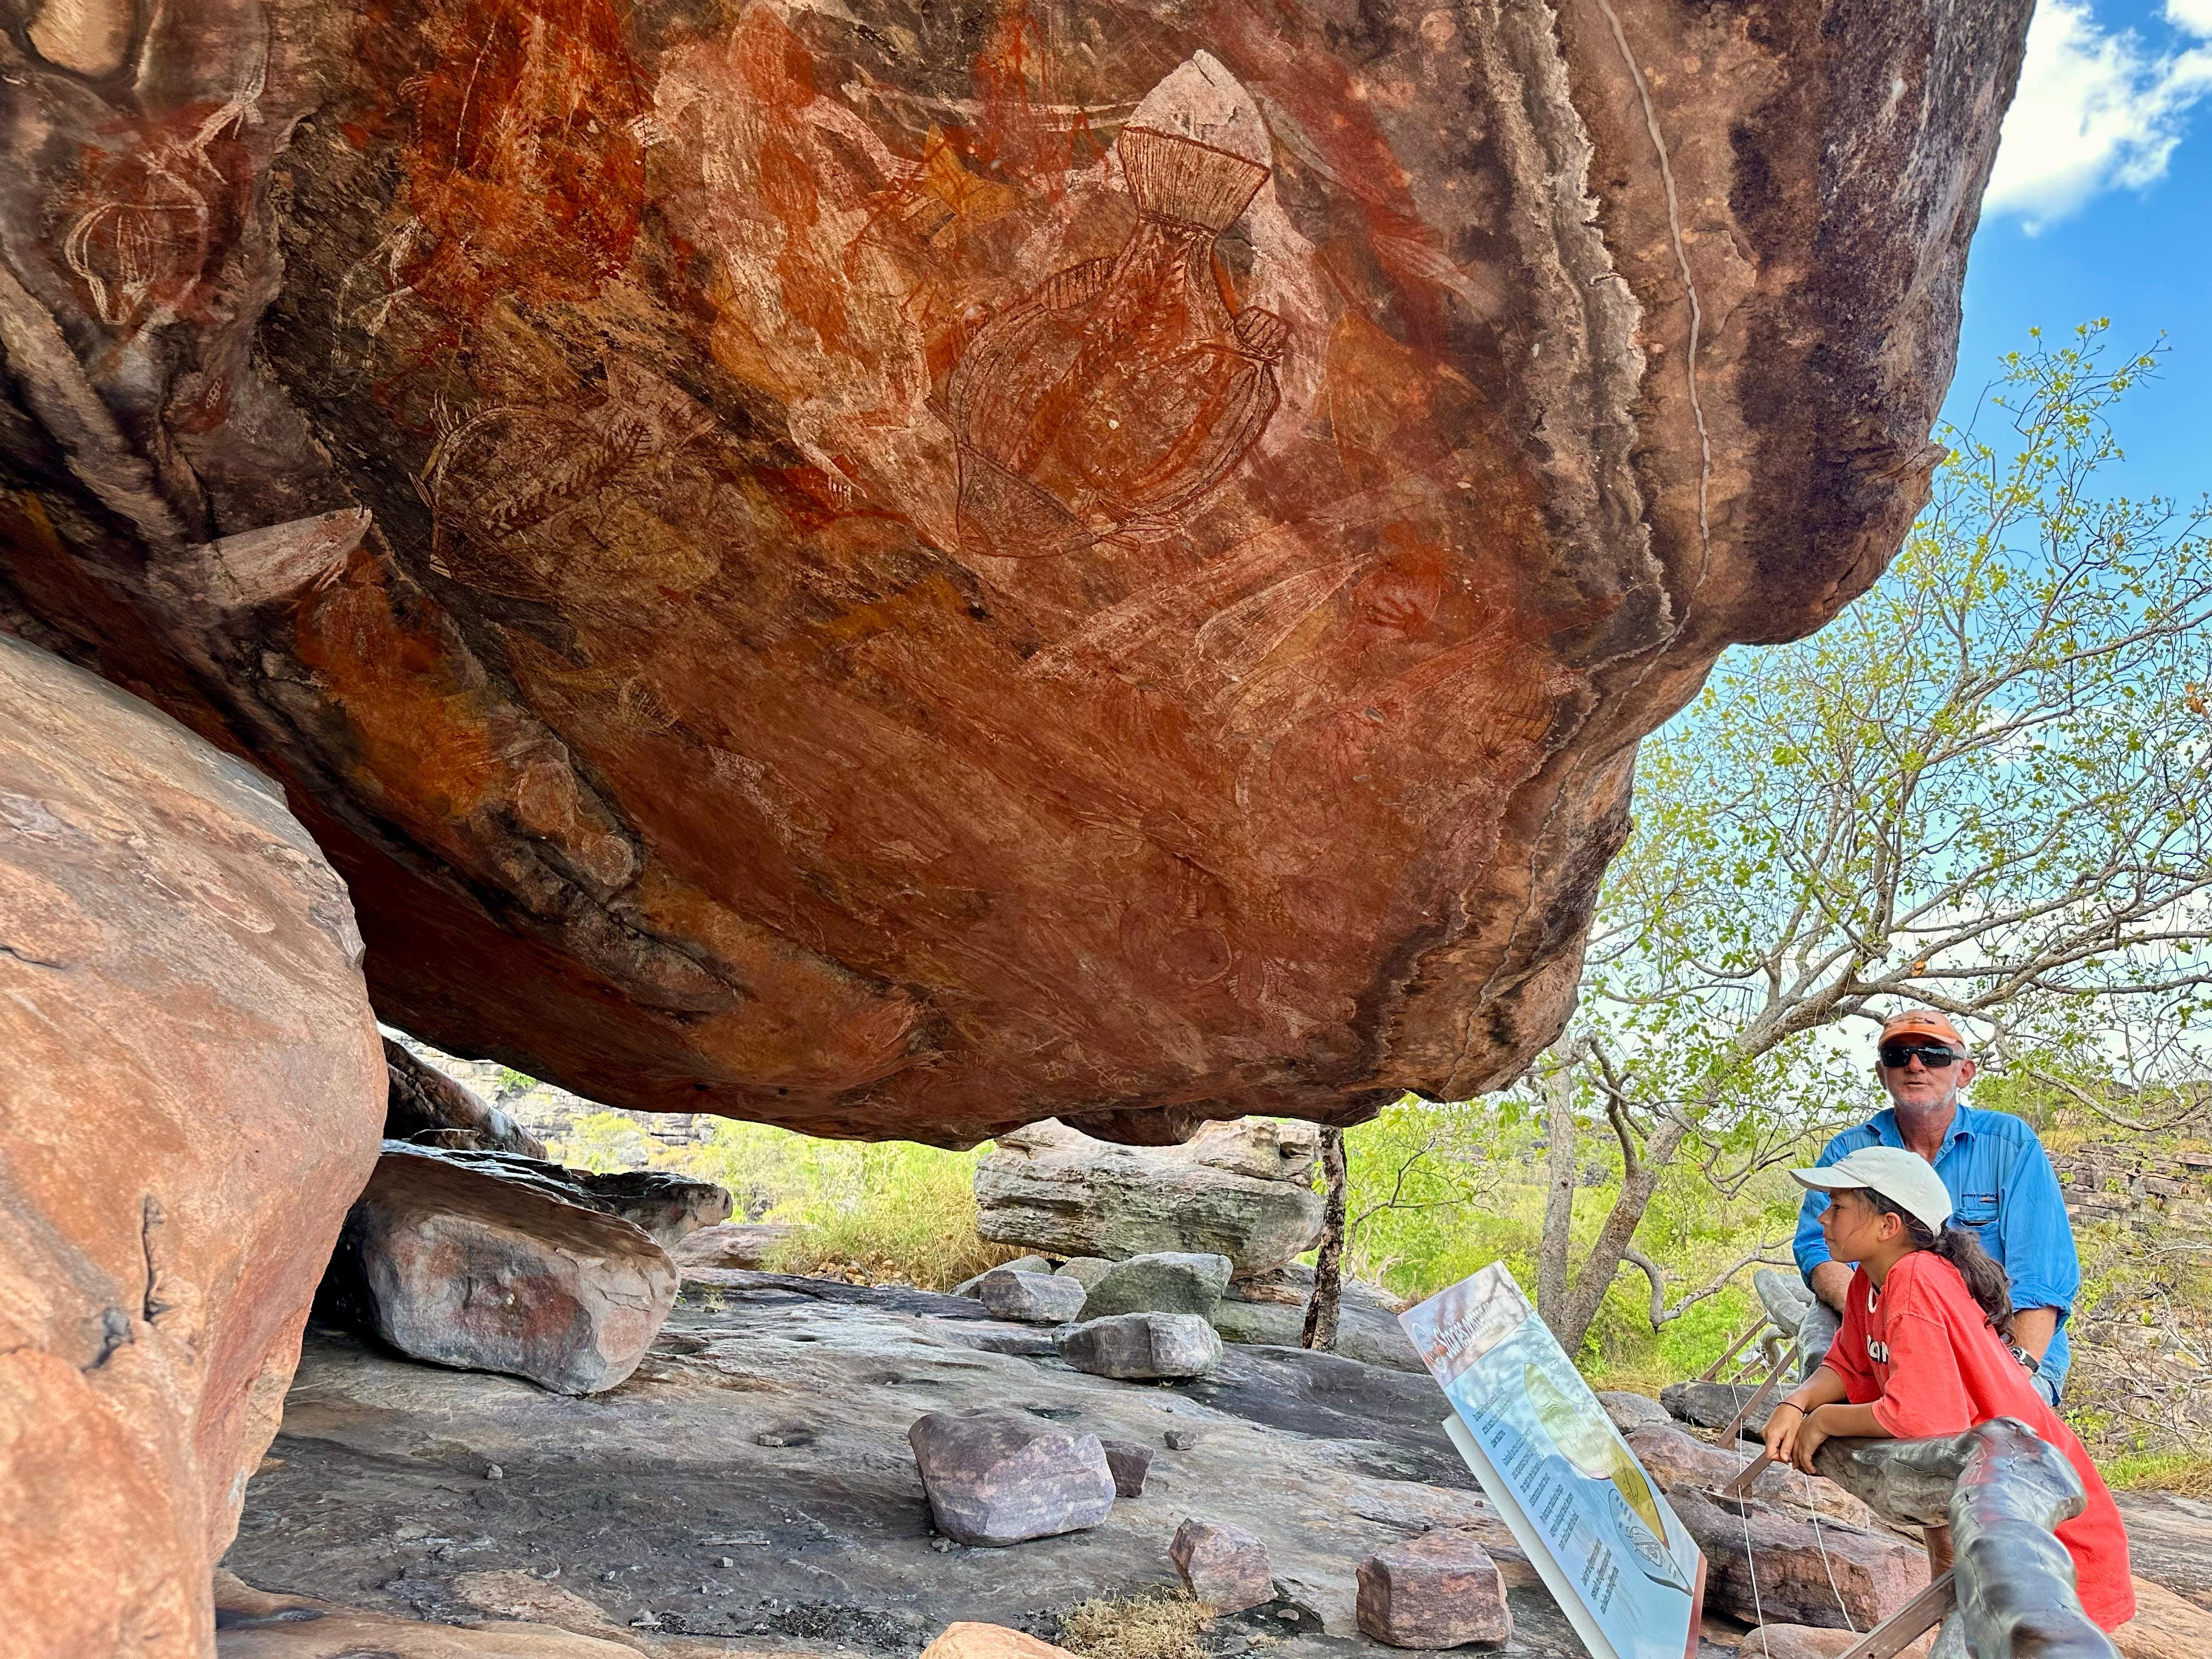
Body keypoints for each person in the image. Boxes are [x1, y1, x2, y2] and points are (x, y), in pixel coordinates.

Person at [1764, 1146, 2135, 1632]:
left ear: (1887, 1226)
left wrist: (1826, 1420)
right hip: (1981, 1506)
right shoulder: (1869, 1283)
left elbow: (1919, 1417)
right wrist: (1798, 1402)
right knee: (1963, 1619)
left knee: (2008, 1638)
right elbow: (1848, 1365)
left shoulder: (1916, 1280)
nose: (1825, 1220)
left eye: (1838, 1206)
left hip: (2043, 1529)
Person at [1792, 1010, 2079, 1403]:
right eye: (1898, 1055)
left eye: (1934, 1054)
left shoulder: (2011, 1146)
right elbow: (1818, 1250)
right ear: (1882, 1073)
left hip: (1995, 1342)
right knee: (1827, 1378)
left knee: (1993, 1435)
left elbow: (2042, 1278)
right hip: (1877, 1336)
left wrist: (2010, 1372)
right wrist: (1884, 1329)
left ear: (1964, 1072)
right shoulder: (1850, 1153)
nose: (1915, 1065)